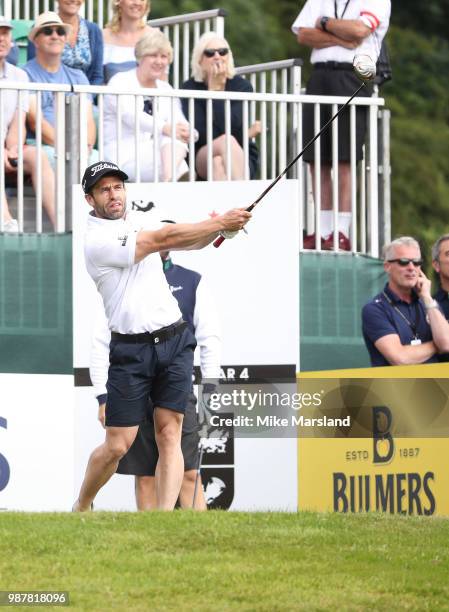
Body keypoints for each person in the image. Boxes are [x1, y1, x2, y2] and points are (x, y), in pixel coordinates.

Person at [73, 160, 250, 511]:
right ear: (90, 200)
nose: (113, 194)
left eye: (118, 186)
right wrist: (219, 222)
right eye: (104, 189)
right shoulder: (97, 240)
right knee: (118, 446)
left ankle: (164, 521)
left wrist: (222, 232)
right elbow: (163, 238)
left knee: (170, 432)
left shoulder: (139, 221)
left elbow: (182, 242)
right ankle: (83, 503)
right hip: (131, 350)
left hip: (174, 340)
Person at [90, 233, 221, 510]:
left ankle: (201, 539)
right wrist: (102, 395)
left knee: (189, 473)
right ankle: (150, 534)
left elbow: (209, 338)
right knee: (144, 475)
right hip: (134, 380)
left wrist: (210, 386)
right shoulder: (124, 279)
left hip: (174, 380)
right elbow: (102, 339)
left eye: (167, 233)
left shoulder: (192, 281)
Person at [292, 0, 391, 250]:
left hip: (352, 75)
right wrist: (342, 38)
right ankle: (324, 231)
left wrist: (324, 24)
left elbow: (359, 32)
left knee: (344, 158)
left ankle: (341, 231)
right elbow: (303, 34)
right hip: (320, 75)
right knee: (317, 158)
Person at [103, 29, 190, 182]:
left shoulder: (165, 89)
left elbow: (179, 122)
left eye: (164, 56)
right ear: (140, 57)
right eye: (153, 55)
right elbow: (131, 116)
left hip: (159, 153)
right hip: (123, 154)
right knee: (179, 163)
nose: (159, 61)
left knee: (173, 141)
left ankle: (169, 181)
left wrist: (188, 132)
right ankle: (171, 181)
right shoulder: (119, 81)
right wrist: (166, 128)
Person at [0, 16, 56, 231]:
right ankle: (6, 223)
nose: (1, 38)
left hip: (4, 148)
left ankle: (65, 225)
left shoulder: (19, 76)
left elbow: (17, 121)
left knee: (37, 155)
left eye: (5, 33)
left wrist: (13, 149)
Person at [181, 31, 260, 181]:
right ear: (200, 60)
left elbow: (235, 129)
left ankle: (232, 204)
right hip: (202, 154)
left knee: (218, 164)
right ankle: (247, 200)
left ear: (228, 57)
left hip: (240, 153)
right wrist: (215, 90)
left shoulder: (242, 86)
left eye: (222, 52)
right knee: (225, 141)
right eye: (210, 53)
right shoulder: (189, 88)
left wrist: (216, 91)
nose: (217, 56)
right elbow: (202, 133)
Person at [23, 12, 97, 169]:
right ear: (36, 40)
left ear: (65, 38)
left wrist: (87, 145)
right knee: (55, 160)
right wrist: (68, 147)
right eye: (48, 31)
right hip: (43, 145)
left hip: (78, 146)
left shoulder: (78, 76)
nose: (55, 36)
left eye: (60, 31)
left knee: (98, 162)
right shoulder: (25, 75)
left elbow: (89, 120)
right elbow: (36, 123)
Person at [361, 237, 449, 367]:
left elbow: (446, 344)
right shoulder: (375, 309)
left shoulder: (429, 303)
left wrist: (427, 297)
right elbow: (400, 359)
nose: (411, 267)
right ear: (387, 266)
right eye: (403, 262)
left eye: (417, 262)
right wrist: (437, 344)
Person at [27, 0, 104, 86]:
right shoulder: (40, 28)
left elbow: (97, 76)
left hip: (84, 92)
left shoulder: (93, 30)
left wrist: (85, 96)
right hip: (43, 91)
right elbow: (34, 70)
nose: (73, 0)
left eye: (60, 32)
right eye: (48, 31)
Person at [102, 0, 153, 83]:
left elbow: (161, 82)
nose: (137, 3)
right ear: (118, 2)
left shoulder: (154, 36)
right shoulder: (102, 37)